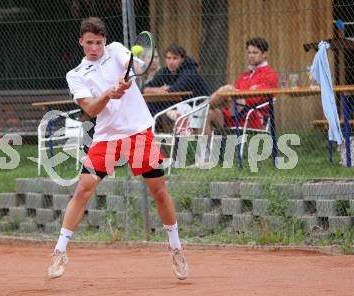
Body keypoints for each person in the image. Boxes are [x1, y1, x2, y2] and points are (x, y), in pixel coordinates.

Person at [48, 17, 188, 281]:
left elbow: (136, 65)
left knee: (159, 191)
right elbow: (90, 110)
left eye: (98, 42)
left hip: (138, 131)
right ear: (81, 41)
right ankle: (59, 251)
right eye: (89, 43)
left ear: (104, 41)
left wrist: (131, 75)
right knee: (82, 189)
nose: (95, 47)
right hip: (106, 138)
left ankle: (176, 248)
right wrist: (109, 94)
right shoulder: (76, 75)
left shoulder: (116, 50)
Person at [204, 37, 279, 137]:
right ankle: (206, 152)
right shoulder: (244, 76)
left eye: (255, 53)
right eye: (249, 53)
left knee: (228, 89)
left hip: (253, 117)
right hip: (233, 114)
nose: (251, 56)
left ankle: (199, 108)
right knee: (207, 114)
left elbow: (255, 99)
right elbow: (234, 96)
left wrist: (233, 96)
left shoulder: (270, 74)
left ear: (264, 54)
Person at [143, 44, 209, 115]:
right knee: (149, 105)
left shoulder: (190, 71)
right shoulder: (164, 72)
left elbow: (177, 89)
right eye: (168, 58)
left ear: (182, 59)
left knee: (157, 109)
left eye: (175, 58)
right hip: (176, 104)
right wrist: (157, 90)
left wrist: (162, 90)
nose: (171, 62)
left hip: (196, 107)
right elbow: (143, 89)